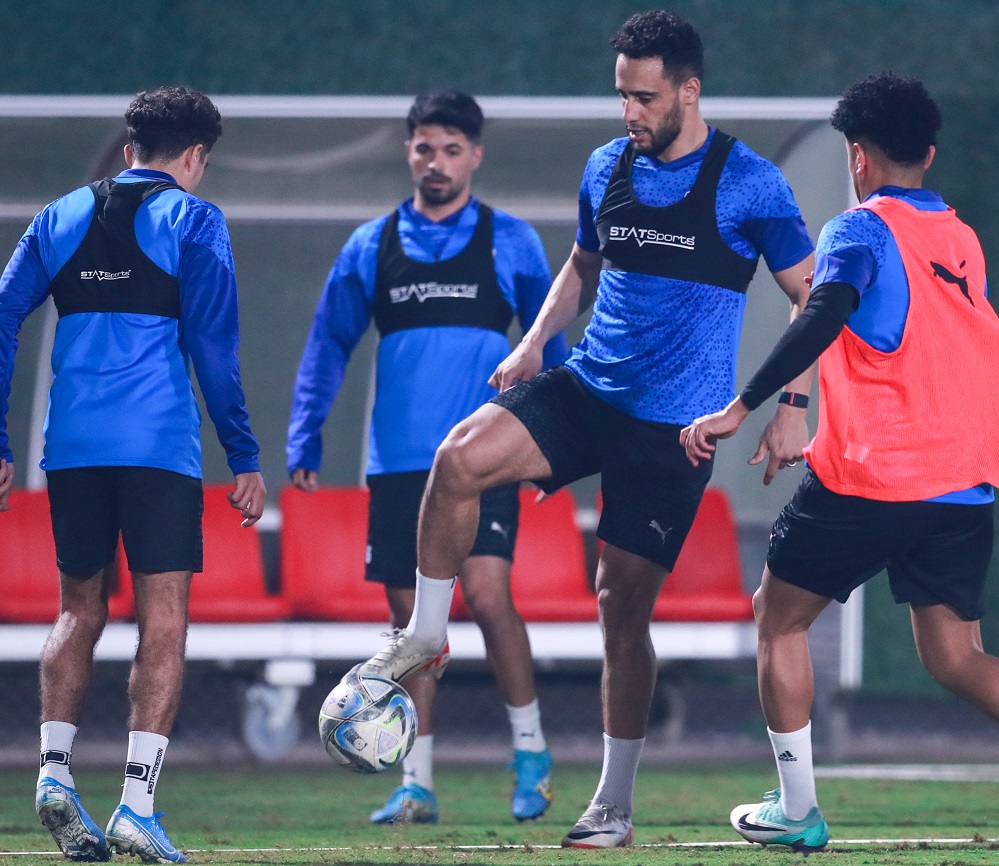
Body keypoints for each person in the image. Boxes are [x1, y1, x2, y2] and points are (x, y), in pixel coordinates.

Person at [354, 10, 815, 848]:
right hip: (586, 388)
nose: (629, 114)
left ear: (687, 89)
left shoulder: (748, 183)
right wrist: (531, 347)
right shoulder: (607, 165)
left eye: (644, 98)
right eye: (621, 97)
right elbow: (581, 264)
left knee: (618, 613)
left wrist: (792, 407)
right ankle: (423, 633)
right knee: (456, 459)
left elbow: (810, 299)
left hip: (674, 429)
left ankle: (611, 802)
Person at [681, 72, 999, 853]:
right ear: (926, 152)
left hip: (872, 476)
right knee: (956, 659)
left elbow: (821, 310)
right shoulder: (959, 236)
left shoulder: (856, 230)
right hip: (964, 482)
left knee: (777, 620)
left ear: (856, 156)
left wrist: (742, 405)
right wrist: (795, 409)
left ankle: (796, 810)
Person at [286, 89, 567, 825]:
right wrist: (304, 435)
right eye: (423, 148)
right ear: (408, 151)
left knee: (485, 596)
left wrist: (556, 447)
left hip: (485, 455)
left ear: (474, 155)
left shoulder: (511, 241)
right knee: (414, 625)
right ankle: (415, 781)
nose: (435, 162)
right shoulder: (369, 246)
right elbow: (327, 345)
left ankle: (531, 753)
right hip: (399, 463)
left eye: (450, 149)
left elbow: (552, 349)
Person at [0, 86, 264, 863]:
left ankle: (54, 772)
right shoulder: (194, 218)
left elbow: (2, 314)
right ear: (194, 158)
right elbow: (215, 350)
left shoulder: (58, 215)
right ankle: (136, 806)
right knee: (164, 618)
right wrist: (243, 455)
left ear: (128, 149)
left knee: (78, 609)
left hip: (72, 448)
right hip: (157, 449)